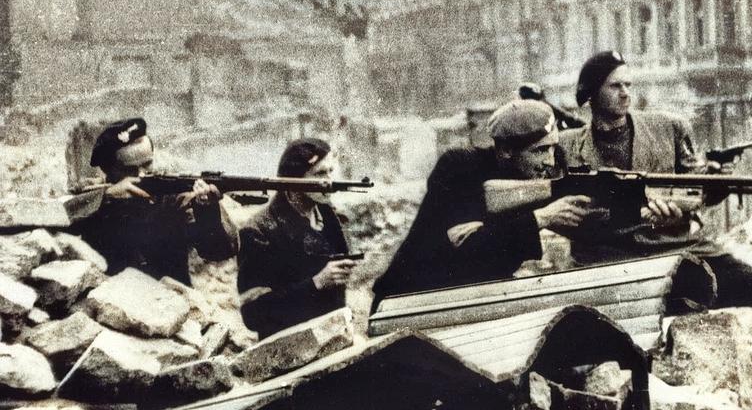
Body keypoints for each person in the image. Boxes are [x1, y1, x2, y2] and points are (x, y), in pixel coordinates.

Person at [558, 51, 752, 310]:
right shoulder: (568, 147)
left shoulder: (667, 128)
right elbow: (562, 214)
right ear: (592, 93)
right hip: (605, 258)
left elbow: (697, 190)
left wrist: (717, 180)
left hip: (674, 247)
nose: (625, 93)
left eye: (628, 85)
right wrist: (635, 214)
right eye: (615, 86)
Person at [372, 99, 590, 305]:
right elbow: (469, 248)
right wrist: (542, 218)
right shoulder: (459, 168)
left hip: (466, 298)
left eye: (552, 148)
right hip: (408, 301)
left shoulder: (529, 178)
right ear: (505, 150)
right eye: (539, 150)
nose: (549, 161)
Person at [64, 118, 235, 285]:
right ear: (107, 170)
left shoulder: (173, 196)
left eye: (147, 164)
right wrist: (106, 198)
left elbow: (219, 251)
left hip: (170, 302)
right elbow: (60, 214)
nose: (141, 175)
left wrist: (207, 210)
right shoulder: (96, 194)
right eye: (129, 169)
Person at [238, 138, 357, 338]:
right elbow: (253, 314)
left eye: (330, 171)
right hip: (288, 351)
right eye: (319, 173)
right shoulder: (259, 231)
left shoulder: (332, 220)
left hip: (335, 338)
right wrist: (316, 283)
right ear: (291, 181)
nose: (329, 181)